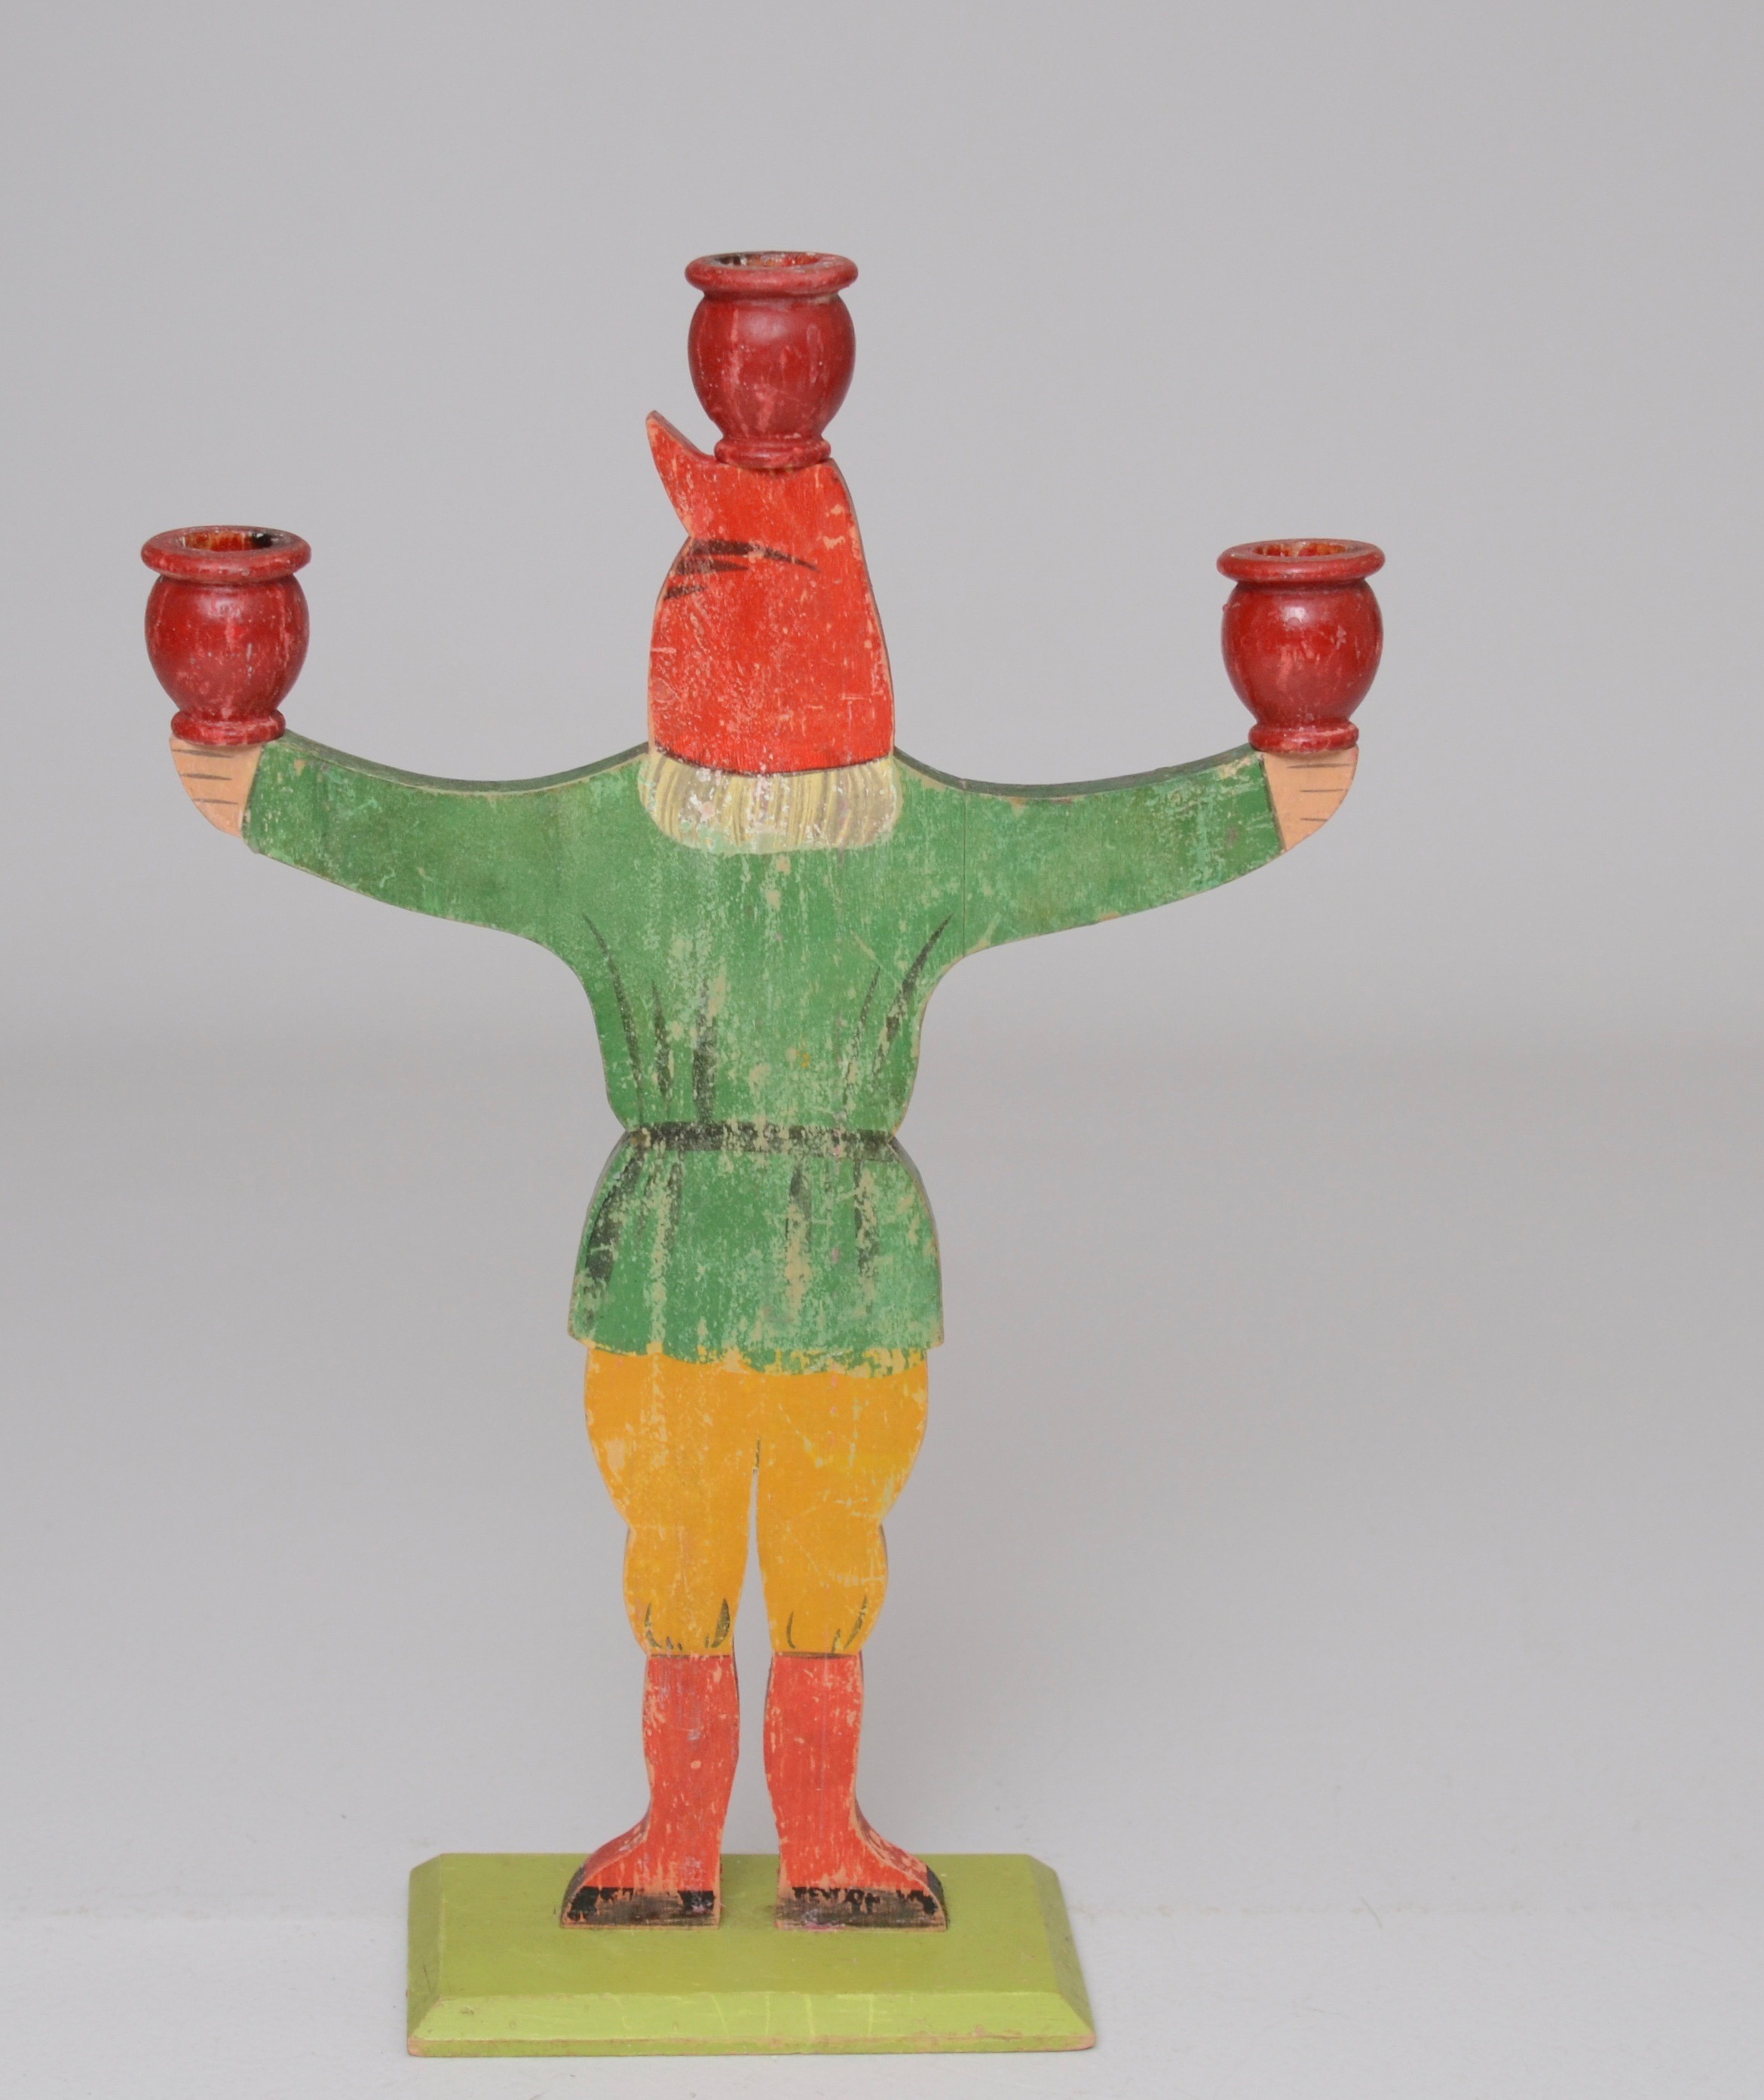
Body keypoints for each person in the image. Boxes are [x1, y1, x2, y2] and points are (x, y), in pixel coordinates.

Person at [169, 409, 1355, 1930]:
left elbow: (1110, 846)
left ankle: (817, 1837)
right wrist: (246, 758)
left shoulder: (888, 838)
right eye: (705, 581)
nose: (724, 622)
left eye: (752, 582)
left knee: (826, 1557)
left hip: (838, 1267)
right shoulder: (627, 834)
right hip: (677, 1264)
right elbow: (420, 837)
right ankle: (680, 1834)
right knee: (676, 1557)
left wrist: (1283, 767)